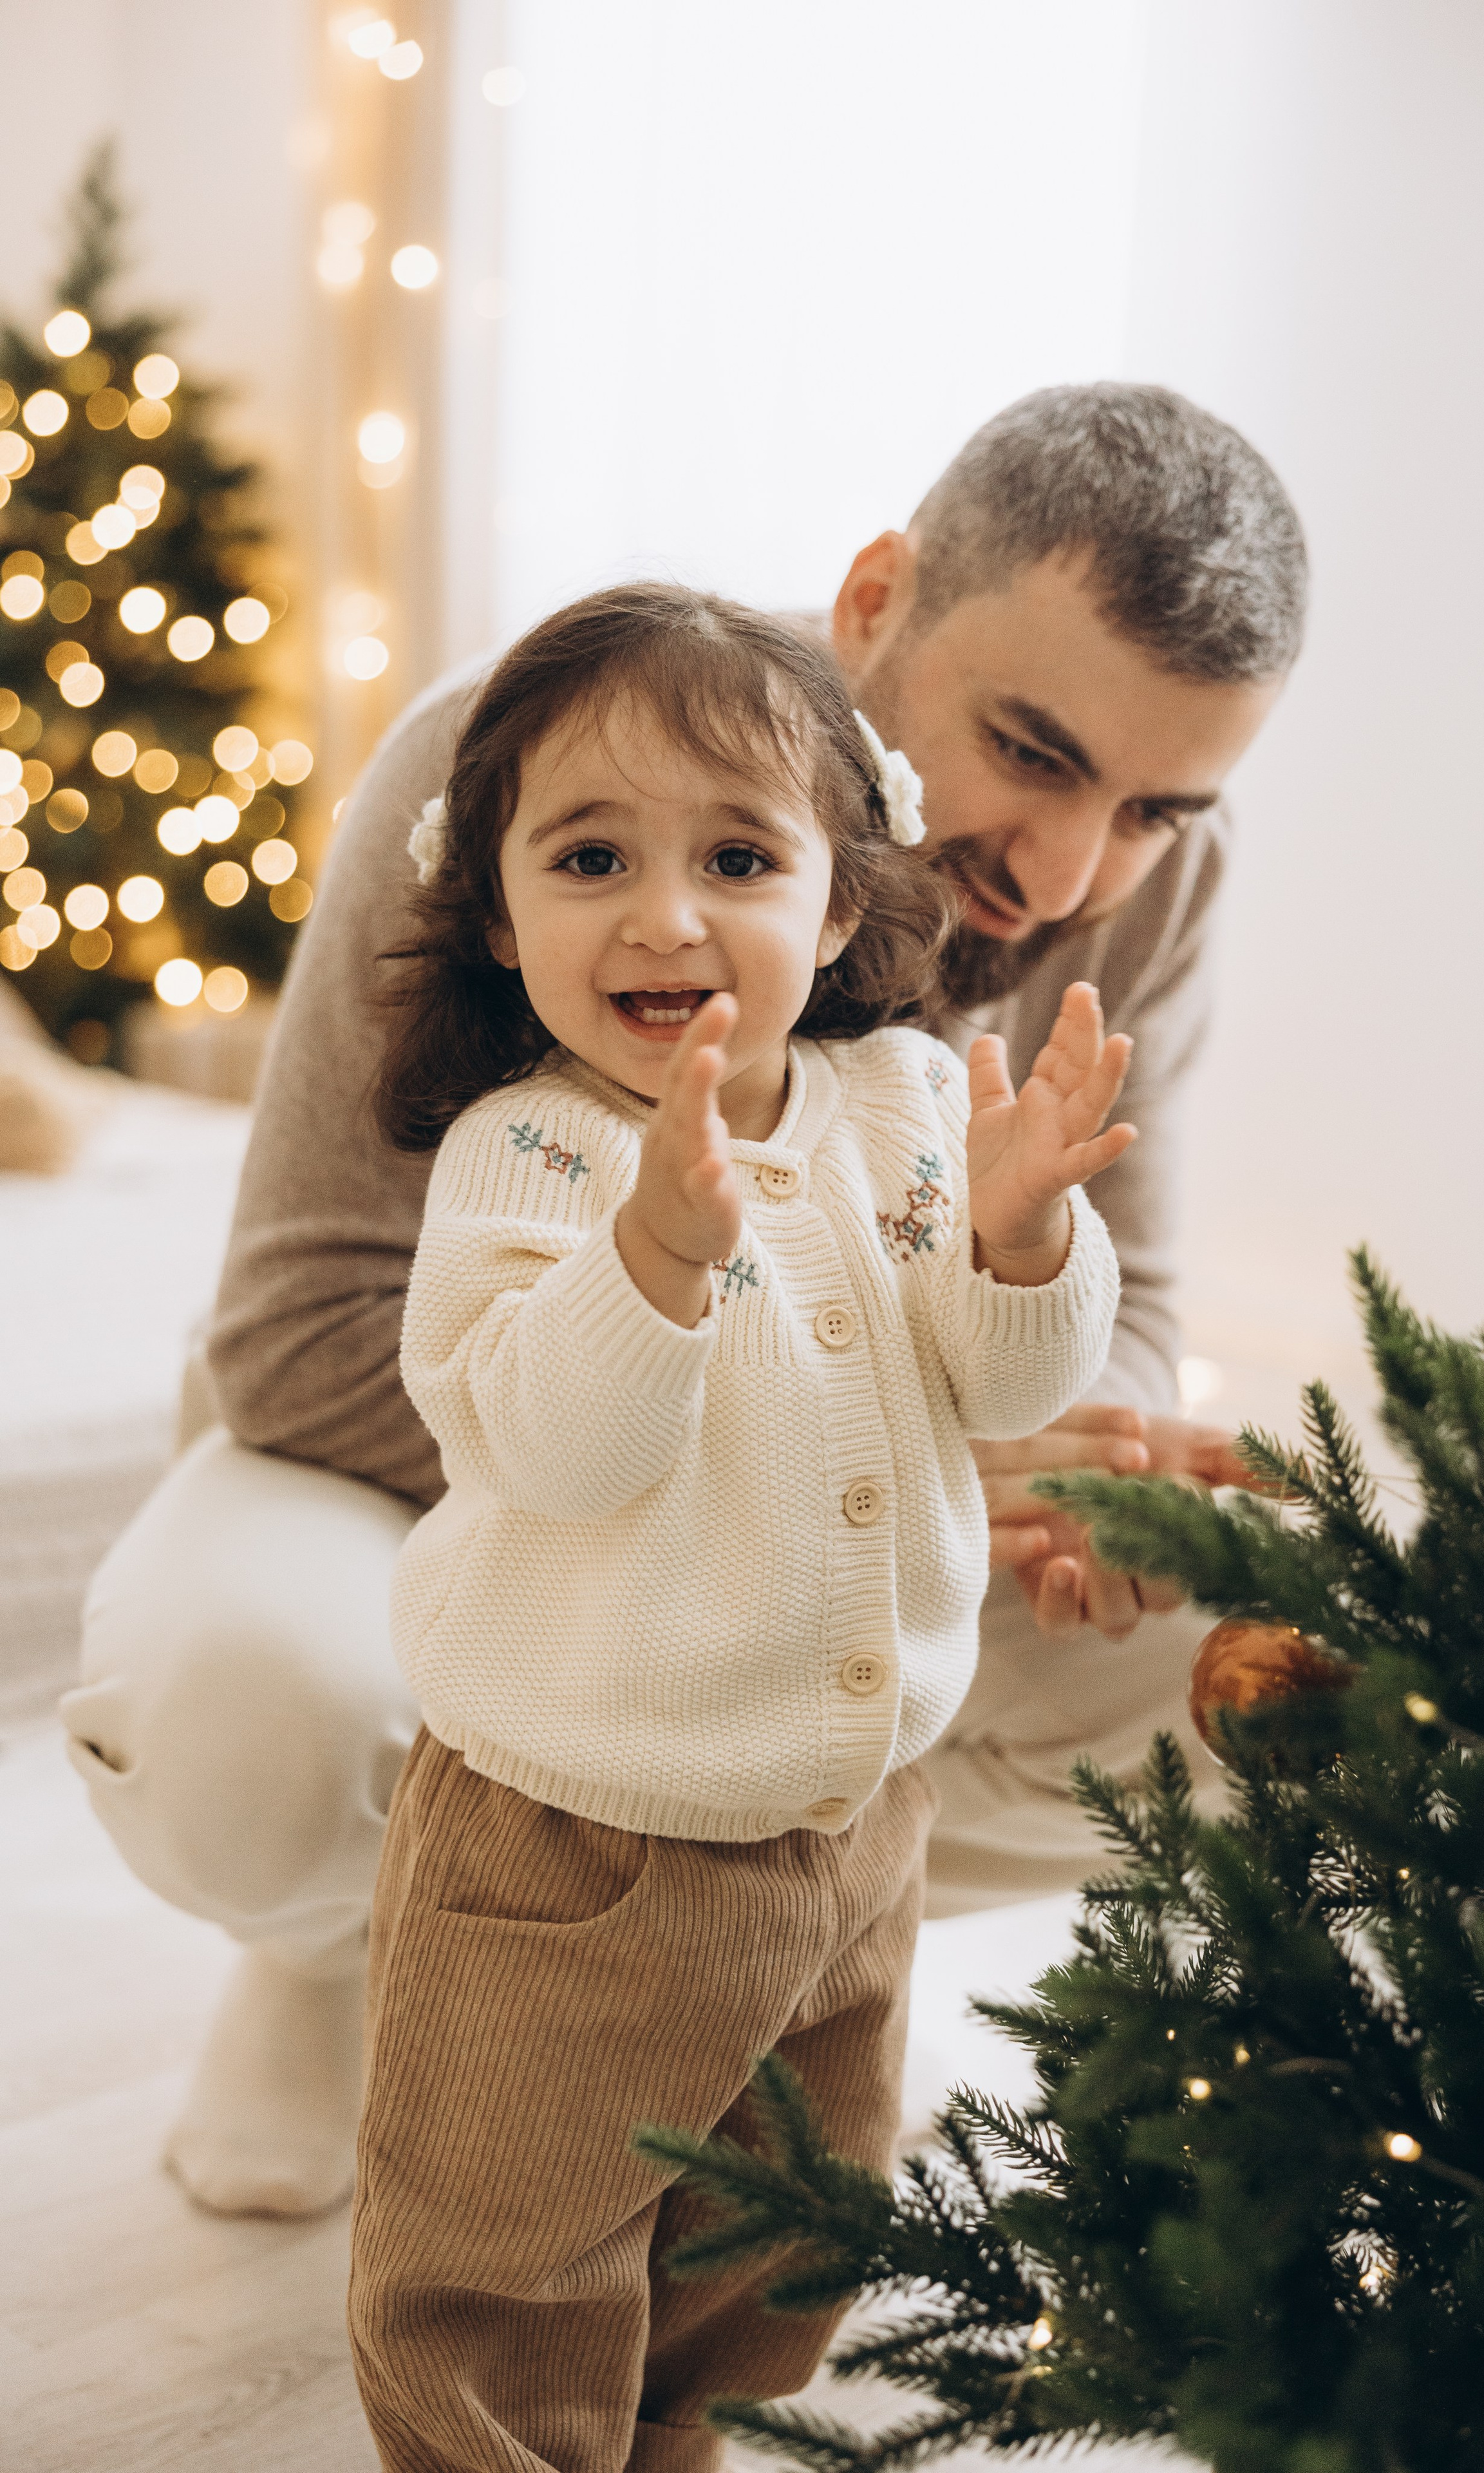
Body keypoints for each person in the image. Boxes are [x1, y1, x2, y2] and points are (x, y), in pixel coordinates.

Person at [62, 381, 1308, 2221]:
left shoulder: (1152, 887)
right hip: (429, 1463)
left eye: (1156, 807)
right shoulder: (522, 768)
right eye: (1033, 753)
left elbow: (1127, 1305)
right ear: (877, 600)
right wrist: (762, 1425)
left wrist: (1076, 1449)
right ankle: (372, 1951)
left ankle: (756, 1965)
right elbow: (300, 1326)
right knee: (247, 1717)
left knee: (1297, 1661)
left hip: (841, 1521)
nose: (1067, 878)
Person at [347, 584, 1127, 2467]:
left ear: (840, 902)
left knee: (782, 2242)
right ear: (501, 903)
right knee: (509, 2260)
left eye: (740, 855)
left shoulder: (908, 1103)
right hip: (571, 1845)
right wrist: (656, 1256)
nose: (666, 912)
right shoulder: (529, 1152)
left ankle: (683, 2441)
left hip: (852, 1830)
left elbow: (1005, 1383)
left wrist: (1023, 1237)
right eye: (591, 855)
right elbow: (556, 1444)